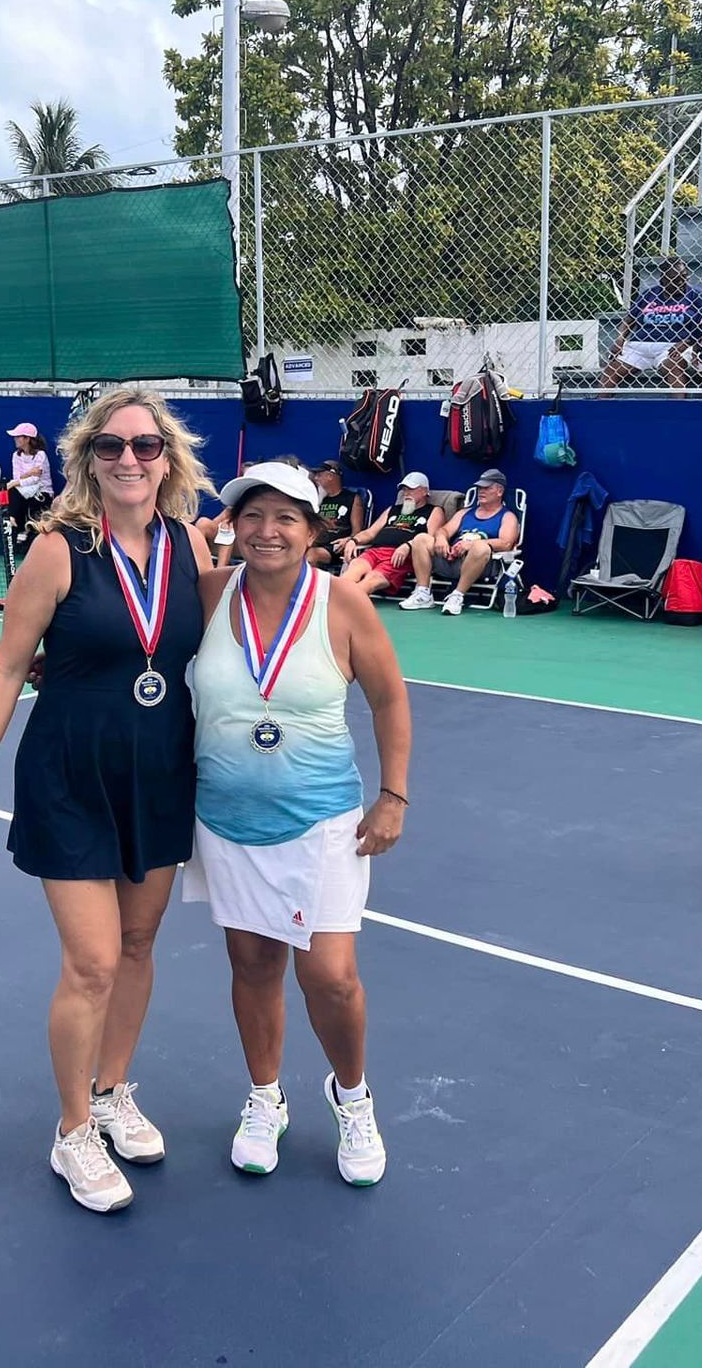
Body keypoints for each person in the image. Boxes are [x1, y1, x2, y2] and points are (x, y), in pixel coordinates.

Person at [0, 388, 215, 1213]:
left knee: (137, 945)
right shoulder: (57, 551)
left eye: (145, 446)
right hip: (70, 775)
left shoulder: (190, 545)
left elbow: (220, 645)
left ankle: (111, 1092)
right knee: (93, 961)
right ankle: (73, 1131)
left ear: (167, 459)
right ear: (88, 461)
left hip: (160, 773)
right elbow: (7, 665)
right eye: (111, 447)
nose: (129, 460)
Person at [182, 460, 411, 1185]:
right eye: (252, 515)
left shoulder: (343, 603)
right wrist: (60, 663)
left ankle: (353, 1097)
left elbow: (389, 699)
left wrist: (394, 796)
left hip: (321, 821)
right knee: (252, 967)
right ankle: (265, 1098)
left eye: (286, 518)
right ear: (234, 526)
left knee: (331, 977)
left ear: (313, 531)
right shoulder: (209, 592)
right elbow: (137, 647)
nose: (267, 530)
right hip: (225, 818)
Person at [400, 468, 518, 615]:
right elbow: (443, 530)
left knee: (481, 547)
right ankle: (423, 593)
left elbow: (506, 543)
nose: (481, 491)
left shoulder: (507, 517)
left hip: (479, 564)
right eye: (480, 488)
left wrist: (471, 545)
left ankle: (457, 595)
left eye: (487, 488)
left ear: (499, 491)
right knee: (421, 539)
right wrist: (441, 539)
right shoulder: (465, 513)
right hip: (451, 558)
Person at [601, 257, 702, 390]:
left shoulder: (696, 295)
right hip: (639, 345)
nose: (681, 282)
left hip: (673, 345)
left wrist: (687, 342)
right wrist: (620, 339)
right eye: (675, 280)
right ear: (663, 279)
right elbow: (629, 320)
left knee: (673, 367)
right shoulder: (649, 294)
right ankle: (599, 401)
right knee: (612, 370)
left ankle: (679, 403)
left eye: (684, 277)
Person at [338, 472, 437, 598]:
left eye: (411, 490)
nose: (406, 493)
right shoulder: (393, 509)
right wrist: (354, 540)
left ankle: (347, 602)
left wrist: (408, 545)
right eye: (404, 490)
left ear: (424, 491)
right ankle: (331, 600)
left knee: (372, 578)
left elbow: (431, 538)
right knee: (353, 570)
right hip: (374, 551)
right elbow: (371, 532)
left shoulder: (433, 510)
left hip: (399, 556)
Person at [4, 422, 56, 552]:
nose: (15, 439)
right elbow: (17, 477)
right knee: (13, 491)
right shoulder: (16, 455)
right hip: (23, 492)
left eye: (18, 436)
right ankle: (13, 520)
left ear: (27, 439)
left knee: (13, 488)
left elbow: (35, 480)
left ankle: (20, 526)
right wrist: (29, 473)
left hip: (43, 493)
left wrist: (21, 478)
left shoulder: (40, 455)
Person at [309, 461, 365, 569]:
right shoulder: (319, 499)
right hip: (315, 541)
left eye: (319, 475)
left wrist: (349, 540)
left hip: (336, 545)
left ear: (330, 476)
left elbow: (357, 531)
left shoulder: (352, 498)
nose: (316, 478)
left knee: (310, 556)